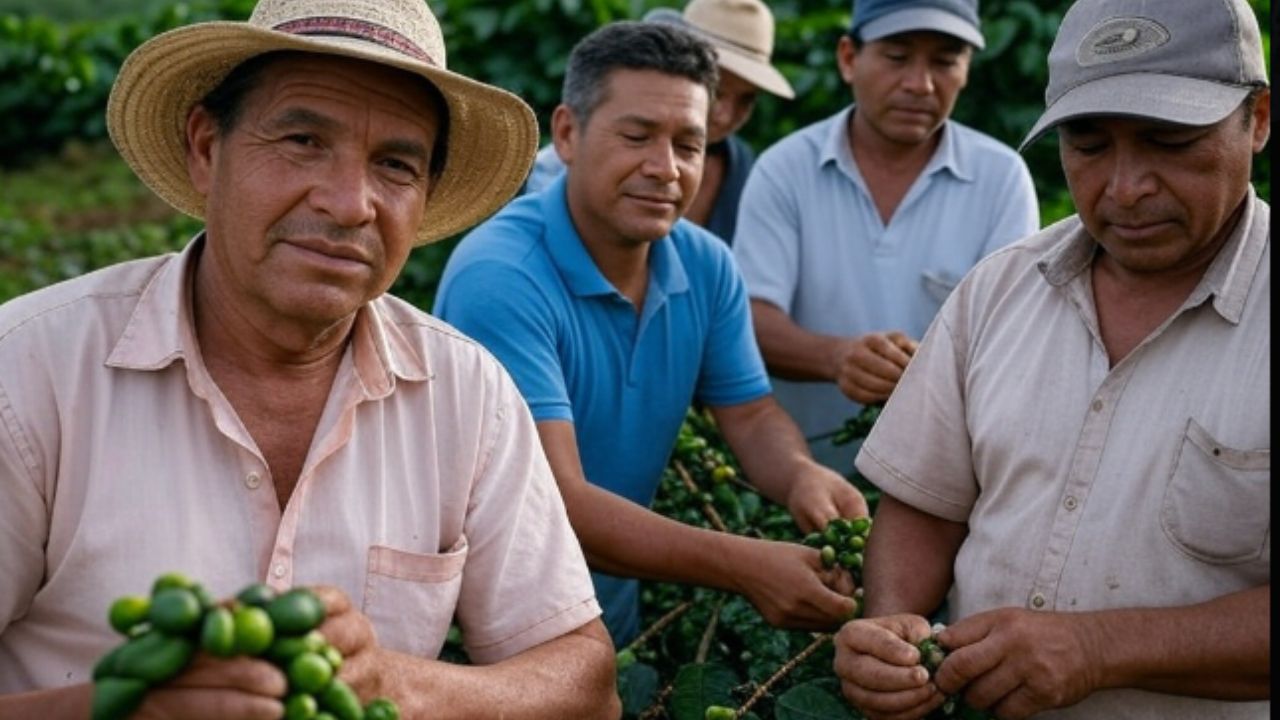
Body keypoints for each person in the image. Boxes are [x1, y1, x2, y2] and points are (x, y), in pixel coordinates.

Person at [0, 0, 620, 717]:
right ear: (207, 149)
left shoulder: (466, 393)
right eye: (301, 140)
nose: (350, 202)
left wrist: (399, 684)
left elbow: (588, 682)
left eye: (395, 164)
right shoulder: (30, 373)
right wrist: (123, 709)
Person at [833, 0, 1270, 717]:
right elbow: (925, 503)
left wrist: (1100, 649)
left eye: (1169, 141)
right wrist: (888, 627)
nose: (1126, 187)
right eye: (1089, 146)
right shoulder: (999, 289)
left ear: (1257, 119)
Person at [434, 20, 867, 647]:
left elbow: (749, 415)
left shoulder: (707, 265)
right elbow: (557, 503)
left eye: (688, 145)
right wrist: (747, 565)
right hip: (481, 641)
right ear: (567, 134)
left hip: (610, 625)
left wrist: (801, 475)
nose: (665, 169)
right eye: (636, 136)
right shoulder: (501, 276)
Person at [731, 0, 1039, 471]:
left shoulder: (1001, 179)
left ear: (968, 70)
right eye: (897, 57)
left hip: (947, 483)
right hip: (798, 477)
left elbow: (1013, 339)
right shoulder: (785, 170)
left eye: (945, 61)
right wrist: (837, 358)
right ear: (848, 58)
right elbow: (749, 320)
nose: (920, 84)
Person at [523, 0, 795, 244]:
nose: (724, 114)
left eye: (745, 100)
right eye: (717, 91)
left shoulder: (743, 169)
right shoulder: (551, 177)